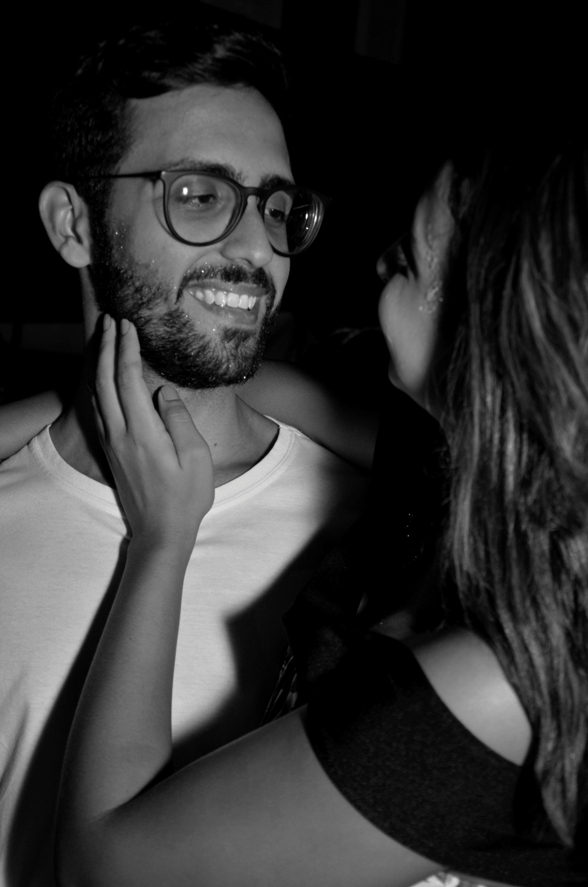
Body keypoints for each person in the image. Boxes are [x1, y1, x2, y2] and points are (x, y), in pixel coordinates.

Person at [53, 135, 587, 887]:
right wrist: (51, 427)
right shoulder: (471, 469)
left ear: (496, 322)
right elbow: (253, 394)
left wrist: (161, 541)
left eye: (408, 260)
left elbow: (102, 864)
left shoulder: (498, 685)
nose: (379, 264)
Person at [0, 15, 370, 886]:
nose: (256, 248)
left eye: (275, 206)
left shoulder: (376, 528)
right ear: (73, 224)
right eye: (199, 195)